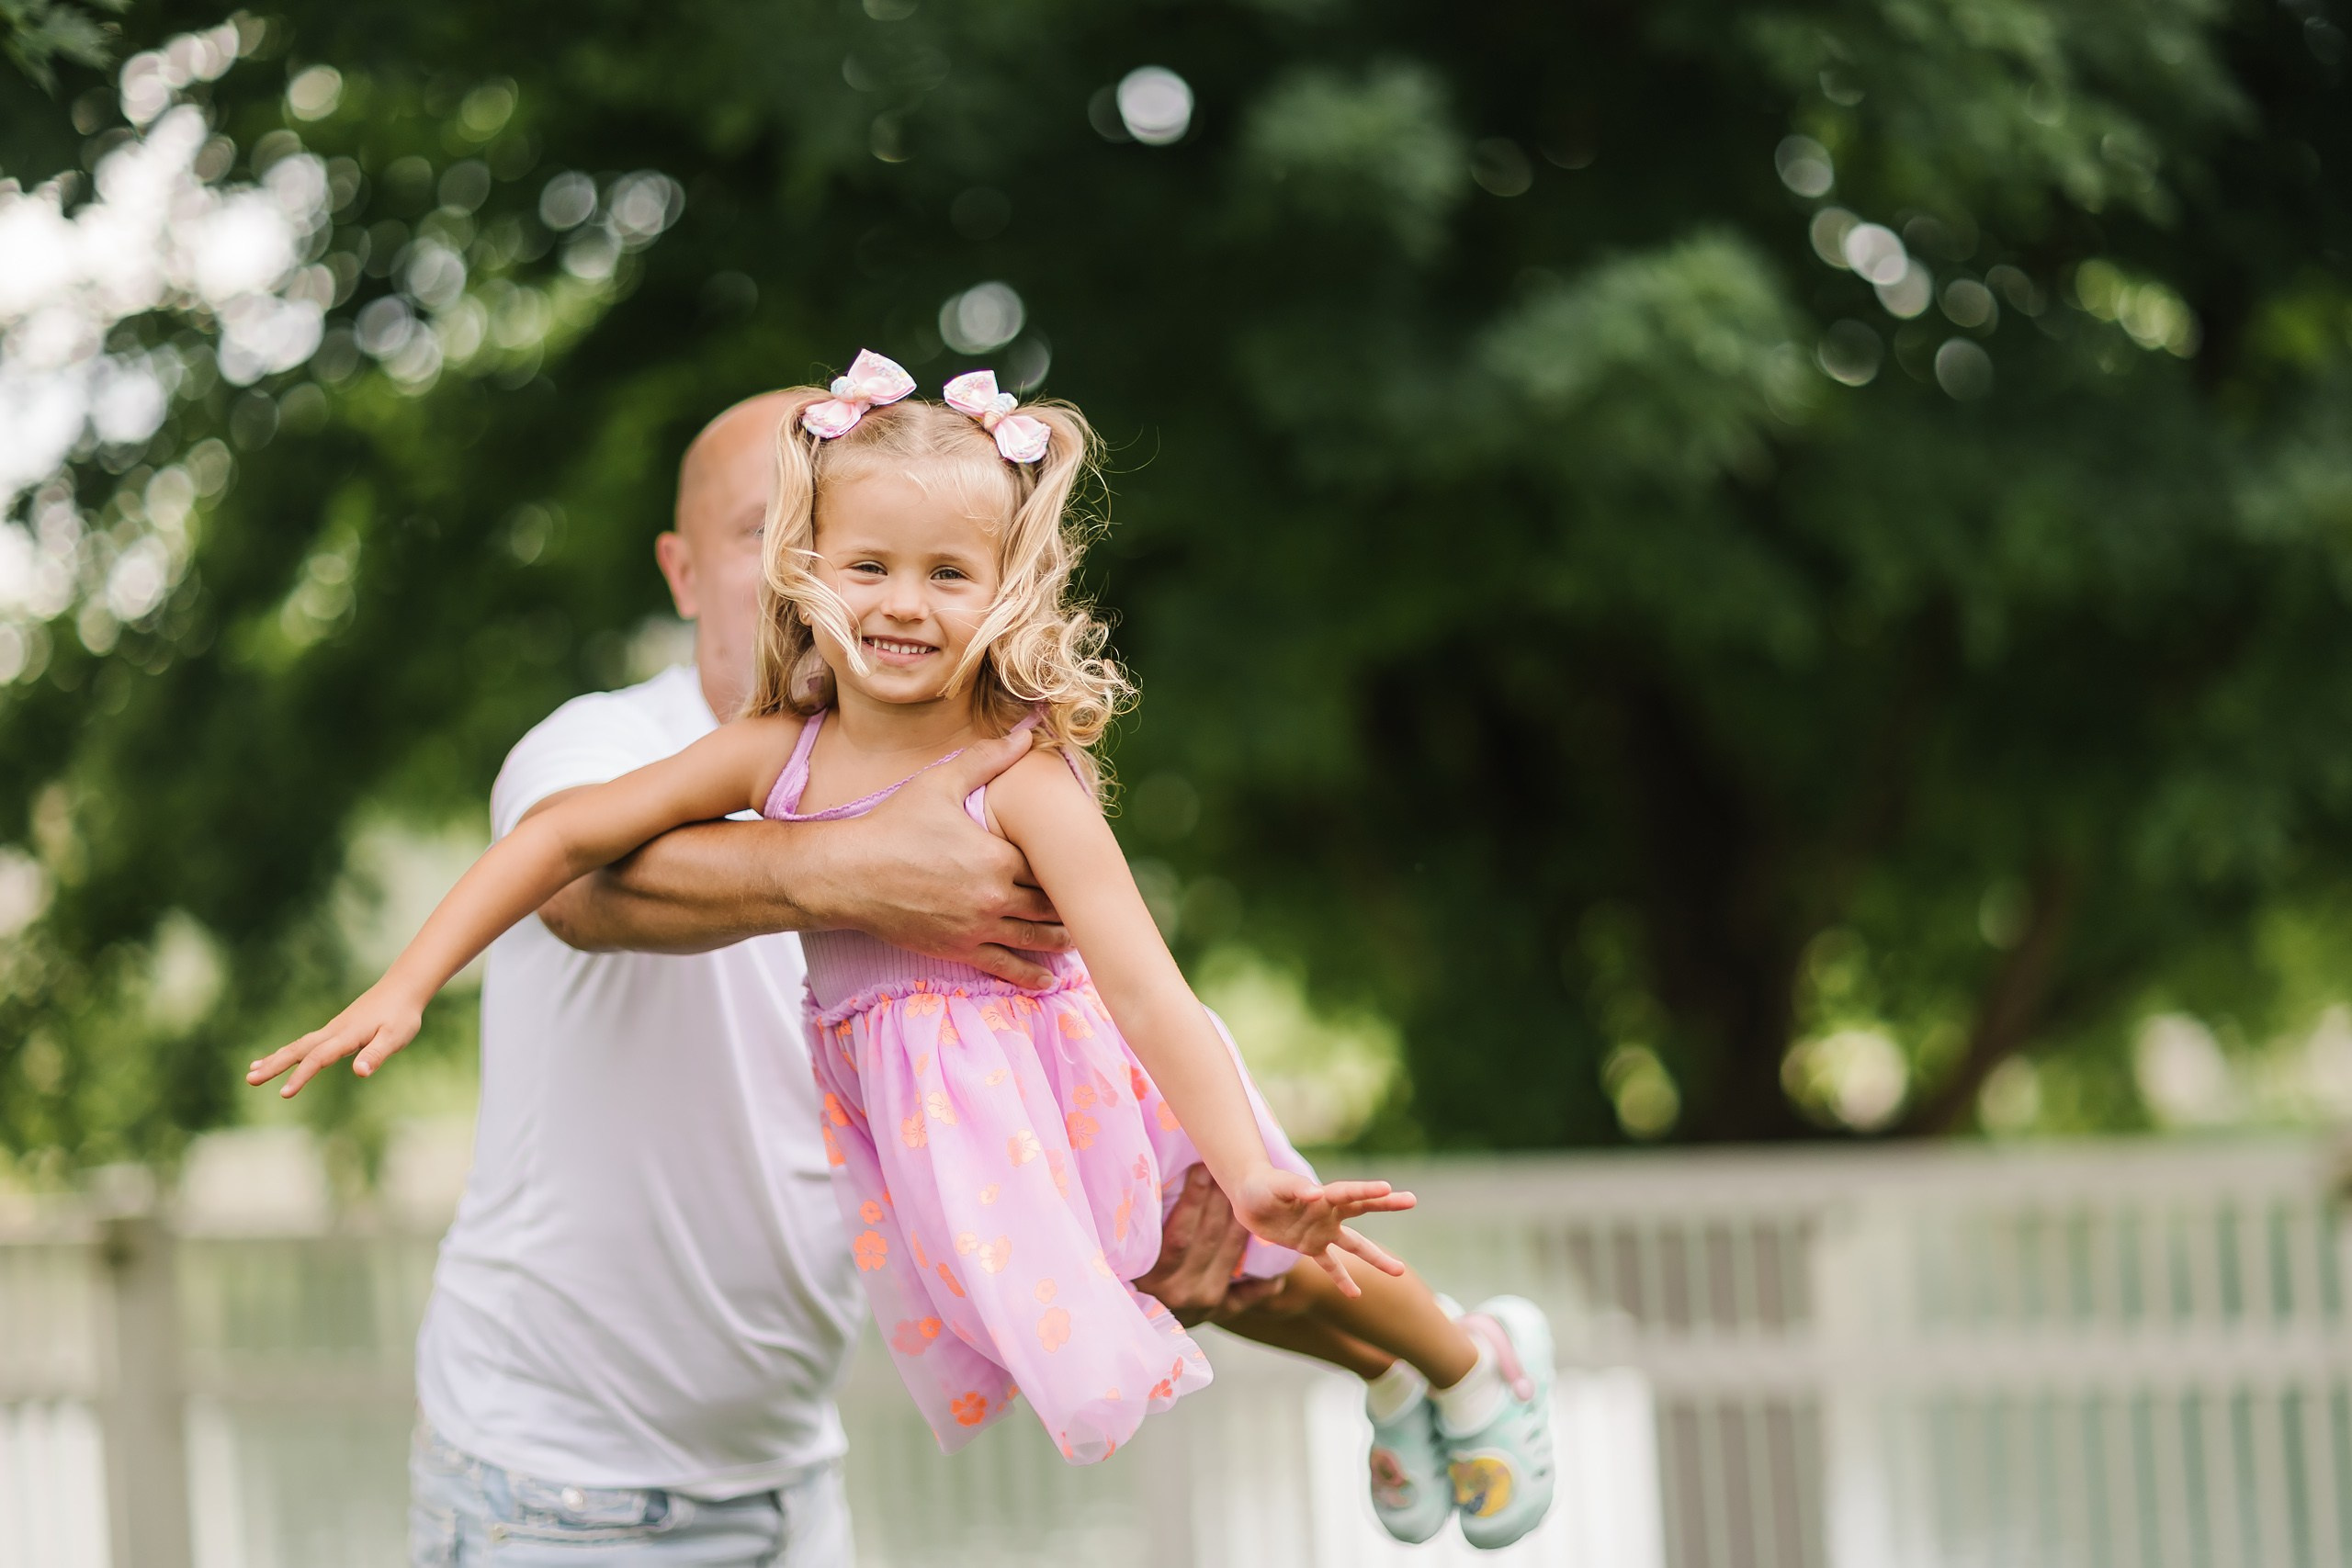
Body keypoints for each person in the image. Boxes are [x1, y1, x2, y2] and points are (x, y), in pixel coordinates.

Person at [252, 354, 1558, 1551]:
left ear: (998, 587)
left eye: (942, 570)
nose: (893, 600)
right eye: (833, 554)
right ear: (714, 570)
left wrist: (1243, 1158)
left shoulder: (1008, 763)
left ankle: (1443, 1359)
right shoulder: (648, 741)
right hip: (559, 1475)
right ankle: (1416, 1369)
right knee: (1158, 1268)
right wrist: (405, 984)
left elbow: (1147, 986)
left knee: (1231, 1244)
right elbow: (575, 868)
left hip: (990, 1154)